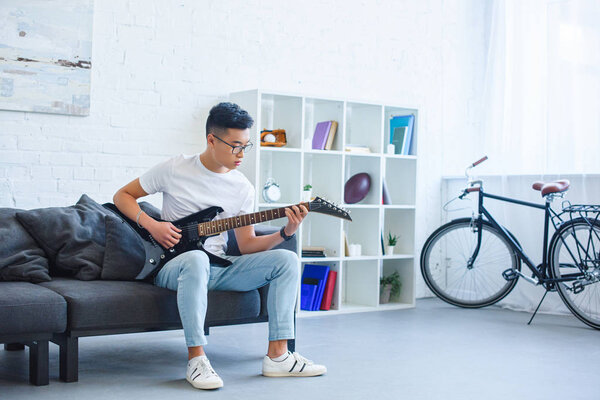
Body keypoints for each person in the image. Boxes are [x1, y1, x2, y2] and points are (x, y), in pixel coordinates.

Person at [112, 102, 326, 390]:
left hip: (220, 266)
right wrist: (152, 224)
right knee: (196, 261)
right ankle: (197, 359)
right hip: (173, 265)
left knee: (286, 260)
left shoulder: (242, 187)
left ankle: (278, 356)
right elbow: (122, 195)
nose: (241, 155)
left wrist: (287, 231)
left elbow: (248, 243)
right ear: (211, 140)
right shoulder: (175, 168)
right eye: (234, 145)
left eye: (245, 146)